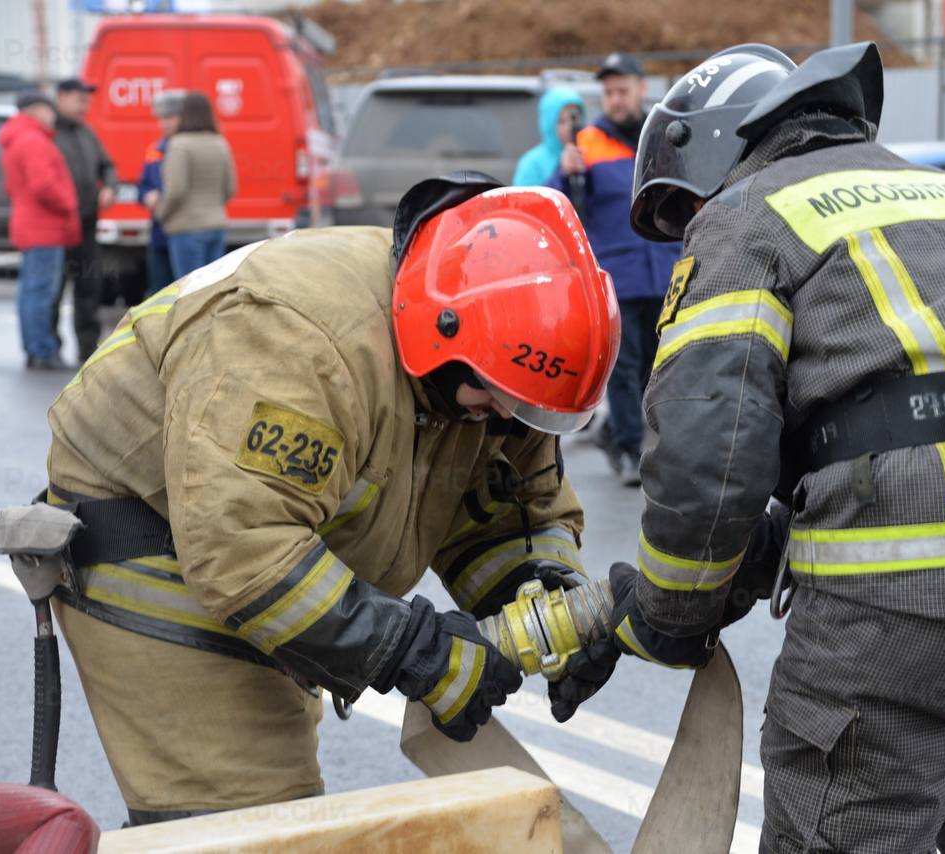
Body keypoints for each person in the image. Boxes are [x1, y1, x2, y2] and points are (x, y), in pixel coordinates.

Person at [561, 43, 945, 853]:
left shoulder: (748, 214)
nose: (691, 229)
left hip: (905, 598)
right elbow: (905, 436)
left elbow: (707, 461)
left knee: (842, 825)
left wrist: (671, 618)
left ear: (715, 151)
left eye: (684, 209)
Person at [40, 173, 619, 824]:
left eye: (531, 413)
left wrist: (548, 598)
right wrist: (406, 650)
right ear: (441, 334)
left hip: (262, 525)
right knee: (243, 818)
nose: (508, 424)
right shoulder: (301, 339)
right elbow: (242, 543)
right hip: (153, 530)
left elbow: (500, 513)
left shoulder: (491, 382)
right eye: (499, 401)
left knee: (271, 813)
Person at [547, 53, 678, 487]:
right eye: (608, 92)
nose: (615, 99)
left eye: (622, 90)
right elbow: (556, 200)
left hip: (665, 271)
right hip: (617, 276)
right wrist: (564, 175)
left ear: (642, 89)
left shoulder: (661, 136)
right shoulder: (585, 144)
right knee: (623, 368)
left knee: (656, 367)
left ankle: (627, 436)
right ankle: (626, 449)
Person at [0, 91, 80, 371]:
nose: (53, 115)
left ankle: (35, 348)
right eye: (49, 109)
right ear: (35, 111)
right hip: (43, 226)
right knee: (41, 291)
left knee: (31, 291)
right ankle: (42, 350)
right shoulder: (33, 140)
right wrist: (70, 202)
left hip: (31, 223)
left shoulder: (19, 137)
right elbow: (44, 185)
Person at [52, 78, 117, 363]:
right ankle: (48, 350)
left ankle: (87, 351)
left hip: (87, 224)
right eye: (79, 100)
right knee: (53, 290)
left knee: (89, 287)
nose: (84, 106)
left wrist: (110, 187)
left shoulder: (85, 133)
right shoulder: (48, 134)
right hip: (58, 226)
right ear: (62, 97)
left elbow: (107, 164)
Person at [156, 92, 237, 279]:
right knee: (211, 290)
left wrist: (161, 213)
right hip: (216, 226)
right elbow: (231, 188)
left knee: (189, 292)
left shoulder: (179, 145)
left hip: (186, 228)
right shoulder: (220, 143)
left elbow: (176, 191)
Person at [136, 89, 186, 295]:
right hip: (159, 234)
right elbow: (143, 186)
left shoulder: (187, 147)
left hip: (183, 230)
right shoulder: (155, 149)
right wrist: (146, 196)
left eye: (170, 117)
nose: (164, 123)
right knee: (160, 293)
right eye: (161, 118)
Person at [512, 86, 583, 187]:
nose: (569, 126)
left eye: (574, 119)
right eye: (561, 121)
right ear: (549, 123)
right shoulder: (532, 164)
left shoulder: (588, 155)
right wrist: (562, 175)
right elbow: (523, 201)